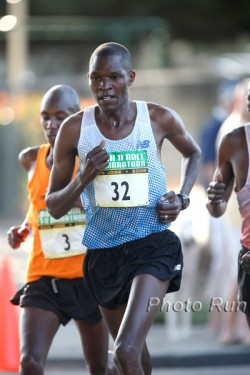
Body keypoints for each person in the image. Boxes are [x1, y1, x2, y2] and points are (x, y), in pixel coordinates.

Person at [45, 42, 201, 375]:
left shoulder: (157, 117)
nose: (105, 86)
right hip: (103, 254)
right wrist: (83, 177)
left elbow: (194, 153)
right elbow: (54, 205)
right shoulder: (74, 129)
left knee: (124, 351)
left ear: (130, 77)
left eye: (114, 77)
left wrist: (182, 197)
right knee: (136, 355)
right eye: (96, 78)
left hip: (152, 246)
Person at [7, 85, 117, 375]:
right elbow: (37, 207)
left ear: (76, 118)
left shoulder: (94, 160)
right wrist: (23, 229)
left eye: (60, 116)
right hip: (44, 277)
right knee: (29, 363)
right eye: (46, 117)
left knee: (98, 367)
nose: (51, 125)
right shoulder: (30, 159)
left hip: (88, 278)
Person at [206, 79, 250, 333]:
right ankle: (225, 330)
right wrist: (214, 201)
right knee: (223, 274)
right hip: (246, 252)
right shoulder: (234, 141)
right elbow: (217, 206)